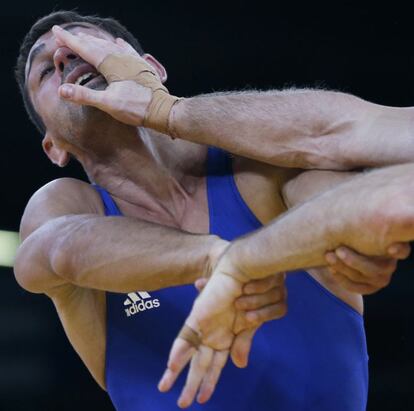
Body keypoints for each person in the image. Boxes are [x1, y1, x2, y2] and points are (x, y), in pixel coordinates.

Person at [13, 10, 410, 411]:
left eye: (83, 44)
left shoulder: (260, 172)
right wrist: (218, 258)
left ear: (150, 67)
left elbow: (355, 185)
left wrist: (164, 108)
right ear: (53, 147)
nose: (64, 57)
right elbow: (55, 250)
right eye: (46, 70)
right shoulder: (66, 205)